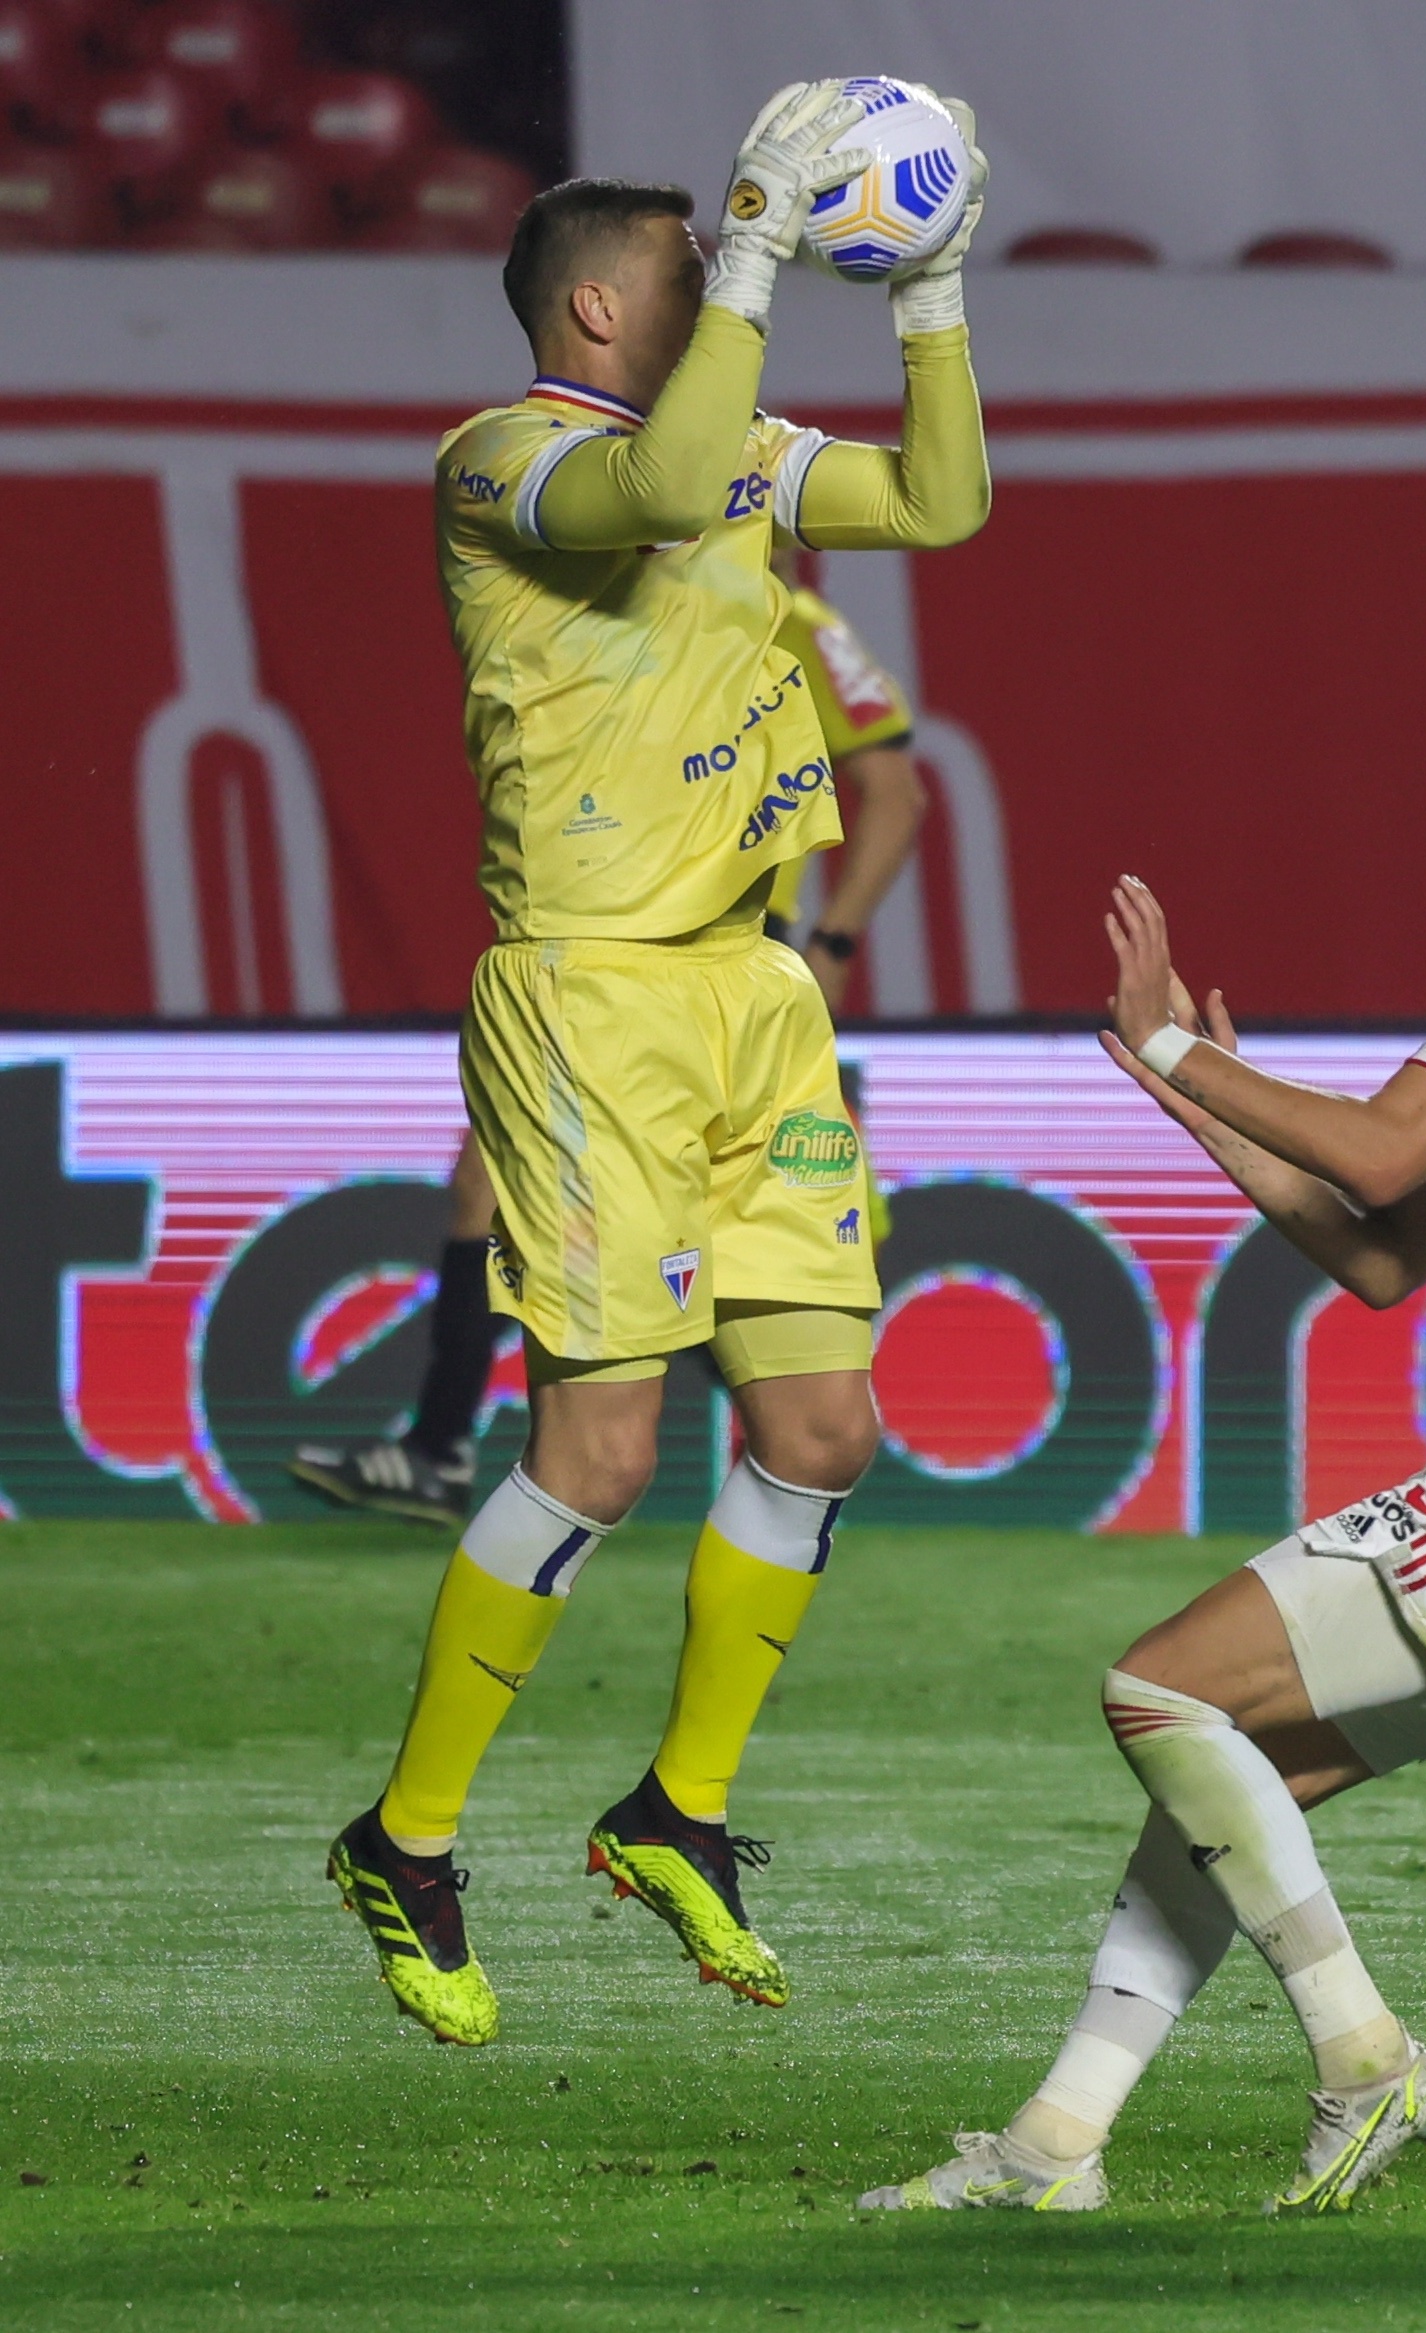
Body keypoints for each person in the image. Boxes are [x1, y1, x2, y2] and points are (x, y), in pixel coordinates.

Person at [322, 82, 991, 2050]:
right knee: (601, 1448)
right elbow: (658, 490)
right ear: (601, 317)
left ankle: (673, 1806)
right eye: (695, 272)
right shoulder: (503, 458)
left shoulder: (735, 455)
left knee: (820, 1430)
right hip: (594, 999)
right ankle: (408, 1832)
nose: (727, 286)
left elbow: (940, 503)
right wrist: (774, 244)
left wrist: (934, 296)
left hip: (755, 994)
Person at [860, 705, 1426, 2215]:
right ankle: (1057, 2146)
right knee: (1215, 1787)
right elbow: (1384, 1257)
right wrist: (1186, 1086)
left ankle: (1364, 2054)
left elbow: (1381, 1154)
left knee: (1161, 1686)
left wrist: (1183, 1039)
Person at [285, 551, 925, 1527]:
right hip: (608, 954)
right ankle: (440, 1447)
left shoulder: (789, 619)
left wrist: (832, 939)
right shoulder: (614, 619)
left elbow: (895, 790)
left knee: (706, 1225)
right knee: (488, 1177)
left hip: (720, 959)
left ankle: (804, 1435)